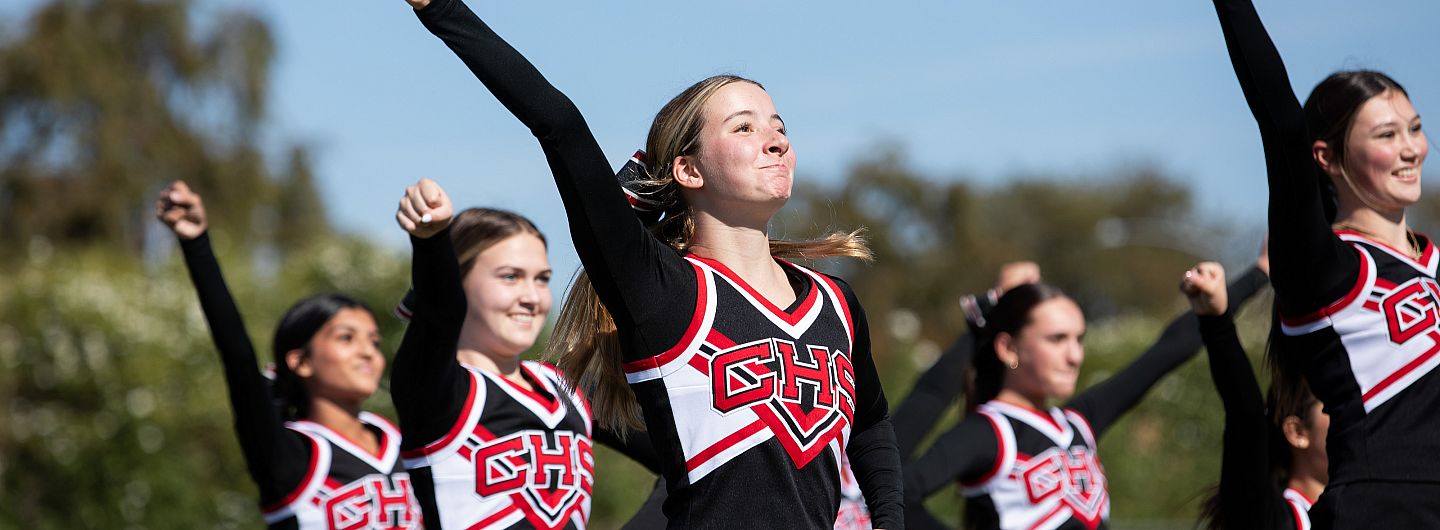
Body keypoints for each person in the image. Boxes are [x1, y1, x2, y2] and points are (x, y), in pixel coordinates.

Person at [402, 1, 903, 527]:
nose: (776, 141)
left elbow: (872, 426)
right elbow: (559, 125)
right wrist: (442, 9)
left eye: (779, 127)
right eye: (743, 129)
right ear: (688, 170)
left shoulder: (836, 304)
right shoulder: (662, 293)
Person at [1209, 0, 1433, 525]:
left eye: (1415, 128)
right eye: (1386, 135)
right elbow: (1280, 125)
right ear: (1325, 157)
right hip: (1380, 511)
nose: (1411, 149)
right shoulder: (1326, 267)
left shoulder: (1434, 263)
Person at [903, 266, 1269, 529]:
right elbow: (897, 496)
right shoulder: (988, 431)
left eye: (1078, 339)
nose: (1075, 356)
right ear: (1008, 347)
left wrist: (1257, 274)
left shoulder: (1078, 420)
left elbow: (1166, 352)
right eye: (1056, 339)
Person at [392, 178, 658, 529]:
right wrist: (432, 241)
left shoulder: (566, 390)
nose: (532, 297)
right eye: (510, 277)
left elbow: (692, 460)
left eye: (542, 279)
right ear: (458, 283)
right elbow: (440, 311)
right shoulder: (436, 391)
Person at [155, 180, 420, 529]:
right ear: (301, 362)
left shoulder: (400, 441)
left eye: (373, 341)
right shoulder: (289, 453)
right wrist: (196, 244)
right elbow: (237, 357)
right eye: (346, 338)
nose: (367, 352)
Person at [1184, 260, 1326, 530]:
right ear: (1297, 431)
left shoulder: (1368, 507)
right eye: (1334, 403)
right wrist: (1217, 323)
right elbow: (1245, 417)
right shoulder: (1268, 516)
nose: (1353, 411)